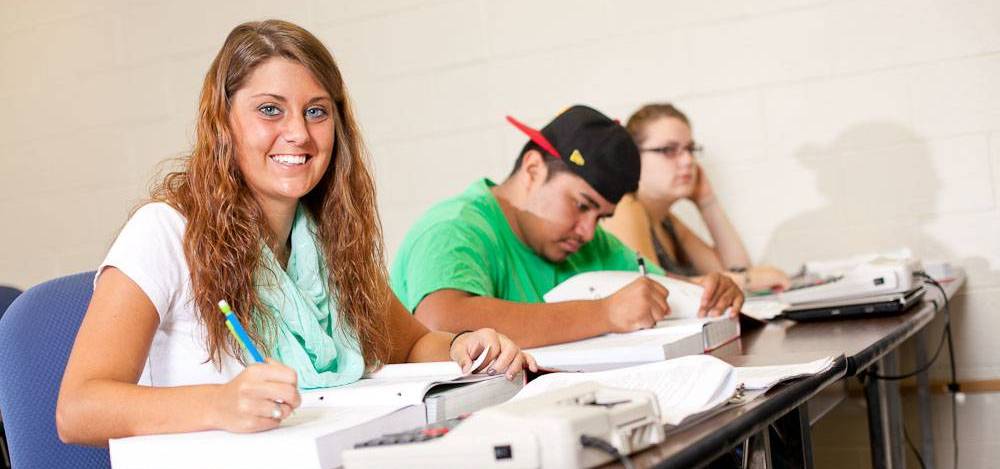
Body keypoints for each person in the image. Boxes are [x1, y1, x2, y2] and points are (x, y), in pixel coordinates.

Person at [56, 20, 533, 446]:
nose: (299, 134)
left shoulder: (328, 236)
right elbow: (78, 410)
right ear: (223, 123)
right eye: (269, 110)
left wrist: (462, 347)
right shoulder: (164, 231)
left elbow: (409, 344)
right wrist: (218, 405)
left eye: (316, 111)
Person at [390, 105, 745, 349]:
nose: (588, 231)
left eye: (601, 217)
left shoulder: (590, 243)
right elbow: (441, 320)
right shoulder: (454, 229)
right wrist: (604, 313)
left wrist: (708, 289)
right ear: (533, 170)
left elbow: (660, 290)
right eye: (581, 205)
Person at [602, 103, 791, 293]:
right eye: (669, 150)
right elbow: (650, 290)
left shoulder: (667, 220)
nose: (687, 161)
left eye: (690, 149)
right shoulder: (625, 207)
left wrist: (707, 202)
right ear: (632, 157)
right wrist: (745, 280)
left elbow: (736, 268)